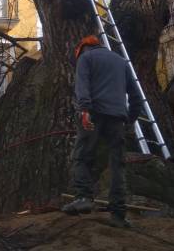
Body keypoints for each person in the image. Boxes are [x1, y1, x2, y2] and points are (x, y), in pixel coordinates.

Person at [61, 35, 143, 228]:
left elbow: (82, 87)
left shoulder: (85, 58)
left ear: (81, 49)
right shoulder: (121, 62)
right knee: (117, 164)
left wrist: (85, 110)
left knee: (81, 156)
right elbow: (136, 96)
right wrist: (130, 118)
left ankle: (83, 197)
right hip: (117, 119)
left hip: (94, 114)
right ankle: (118, 214)